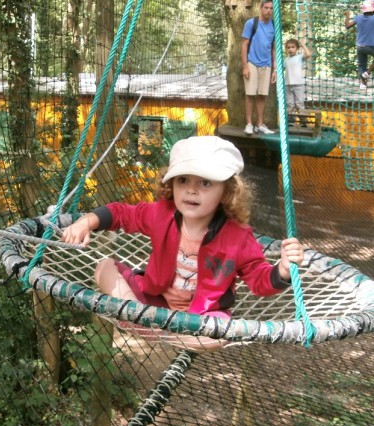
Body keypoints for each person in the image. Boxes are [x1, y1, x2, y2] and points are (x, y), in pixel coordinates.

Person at [62, 136, 304, 351]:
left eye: (205, 183)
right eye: (183, 180)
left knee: (220, 333)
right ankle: (134, 312)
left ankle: (157, 330)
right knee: (104, 266)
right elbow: (122, 213)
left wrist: (282, 270)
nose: (191, 190)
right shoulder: (161, 214)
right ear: (172, 184)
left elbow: (258, 279)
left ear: (227, 191)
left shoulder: (237, 237)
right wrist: (88, 221)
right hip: (153, 301)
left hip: (200, 315)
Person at [241, 0, 277, 136]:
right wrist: (245, 66)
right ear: (261, 8)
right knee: (250, 94)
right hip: (252, 62)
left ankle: (259, 125)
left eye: (271, 8)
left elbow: (274, 49)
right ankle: (249, 124)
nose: (268, 10)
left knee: (262, 95)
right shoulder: (251, 23)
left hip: (267, 64)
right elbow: (244, 45)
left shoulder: (274, 25)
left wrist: (275, 69)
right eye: (266, 7)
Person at [344, 0, 374, 90]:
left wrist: (347, 16)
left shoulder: (358, 18)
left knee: (361, 64)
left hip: (360, 46)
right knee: (364, 66)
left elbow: (347, 26)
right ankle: (368, 72)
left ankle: (363, 84)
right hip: (371, 45)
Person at [284, 39, 312, 124]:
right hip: (288, 84)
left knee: (299, 102)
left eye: (293, 47)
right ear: (286, 49)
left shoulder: (299, 57)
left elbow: (308, 54)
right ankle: (291, 120)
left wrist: (303, 45)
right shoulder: (286, 60)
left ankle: (303, 120)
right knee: (290, 103)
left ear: (297, 48)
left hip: (298, 84)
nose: (290, 49)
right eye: (288, 48)